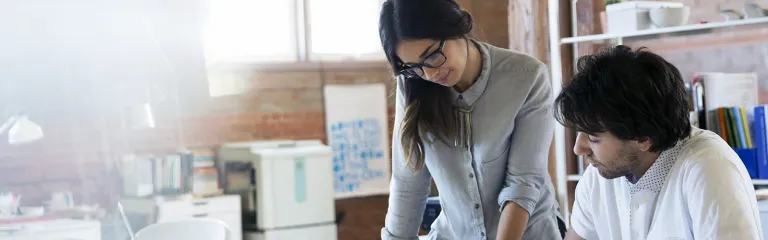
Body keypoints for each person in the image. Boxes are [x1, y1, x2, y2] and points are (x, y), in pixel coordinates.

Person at [378, 0, 563, 239]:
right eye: (414, 66)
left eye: (433, 55)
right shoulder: (414, 83)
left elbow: (523, 185)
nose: (430, 74)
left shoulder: (527, 77)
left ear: (458, 26)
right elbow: (407, 183)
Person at [557, 45, 763, 240]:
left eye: (593, 138)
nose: (578, 148)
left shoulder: (709, 168)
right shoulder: (599, 175)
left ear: (643, 139)